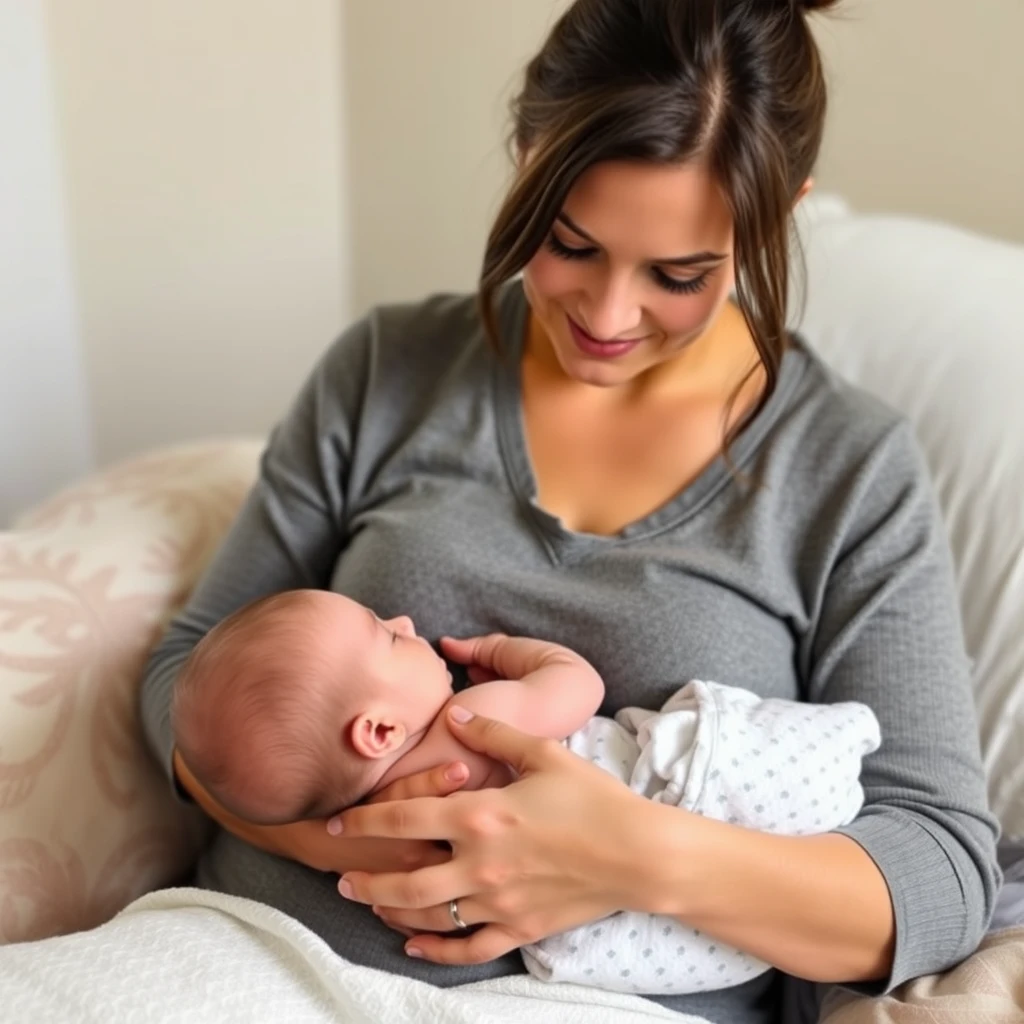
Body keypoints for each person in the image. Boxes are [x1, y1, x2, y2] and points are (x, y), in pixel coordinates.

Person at [138, 1, 1000, 1022]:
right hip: (248, 960)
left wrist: (623, 855)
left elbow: (940, 867)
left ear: (778, 218)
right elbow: (180, 676)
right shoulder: (389, 372)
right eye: (569, 243)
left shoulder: (848, 469)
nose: (605, 316)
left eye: (679, 274)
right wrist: (348, 833)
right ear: (523, 152)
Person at [169, 588, 881, 997]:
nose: (405, 622)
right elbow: (579, 688)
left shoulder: (357, 838)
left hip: (602, 952)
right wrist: (512, 655)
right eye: (386, 639)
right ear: (380, 730)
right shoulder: (473, 724)